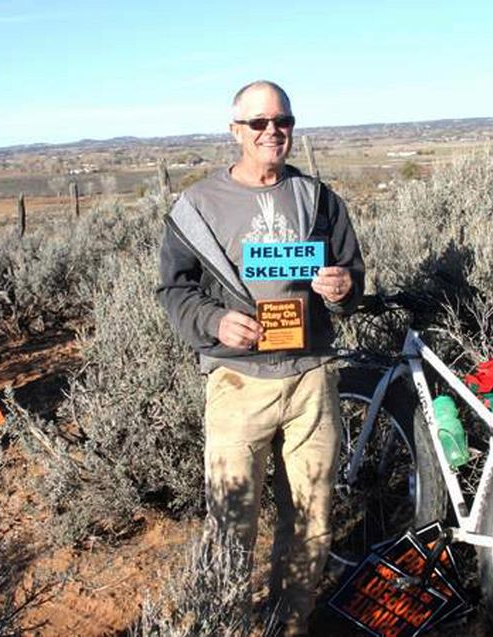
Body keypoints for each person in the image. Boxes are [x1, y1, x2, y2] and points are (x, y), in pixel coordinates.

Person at [156, 80, 365, 636]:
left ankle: (286, 625)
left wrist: (344, 289)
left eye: (283, 121)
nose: (273, 131)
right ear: (236, 131)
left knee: (312, 518)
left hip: (311, 380)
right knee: (232, 519)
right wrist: (214, 321)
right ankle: (223, 623)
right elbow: (173, 290)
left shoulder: (319, 199)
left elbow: (352, 277)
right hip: (237, 383)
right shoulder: (197, 206)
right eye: (259, 123)